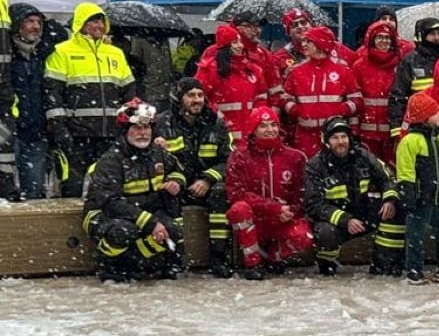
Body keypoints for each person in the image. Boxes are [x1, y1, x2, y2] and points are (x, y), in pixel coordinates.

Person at [83, 99, 186, 282]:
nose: (143, 133)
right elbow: (110, 202)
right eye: (137, 128)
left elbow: (178, 170)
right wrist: (150, 222)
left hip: (144, 212)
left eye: (146, 128)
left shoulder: (157, 152)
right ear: (125, 131)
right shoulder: (111, 161)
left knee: (173, 230)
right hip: (105, 214)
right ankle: (106, 263)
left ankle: (135, 262)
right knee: (124, 231)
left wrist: (175, 182)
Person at [44, 2, 136, 197]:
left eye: (102, 22)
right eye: (94, 21)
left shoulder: (115, 53)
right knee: (73, 185)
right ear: (82, 24)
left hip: (111, 131)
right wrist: (60, 128)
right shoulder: (62, 51)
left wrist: (128, 124)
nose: (100, 26)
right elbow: (53, 93)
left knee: (110, 183)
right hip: (77, 133)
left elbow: (129, 92)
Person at [154, 76, 235, 278]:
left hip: (206, 185)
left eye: (200, 95)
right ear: (179, 98)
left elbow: (230, 161)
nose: (197, 100)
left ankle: (218, 257)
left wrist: (208, 179)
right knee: (168, 196)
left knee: (220, 193)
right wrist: (177, 180)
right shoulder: (162, 123)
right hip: (176, 182)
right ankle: (174, 258)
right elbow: (158, 161)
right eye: (190, 95)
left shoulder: (217, 123)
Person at [303, 116, 403, 276]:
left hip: (362, 212)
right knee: (326, 233)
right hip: (334, 220)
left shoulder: (362, 156)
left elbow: (387, 178)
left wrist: (389, 199)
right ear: (326, 141)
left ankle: (384, 263)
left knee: (397, 210)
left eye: (344, 137)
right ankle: (327, 266)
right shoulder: (315, 166)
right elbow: (313, 205)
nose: (341, 141)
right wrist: (345, 219)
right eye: (335, 138)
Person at [225, 106, 314, 280]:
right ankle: (253, 262)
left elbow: (304, 194)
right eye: (263, 126)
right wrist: (273, 208)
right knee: (239, 209)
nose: (269, 130)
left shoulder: (296, 157)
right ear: (253, 129)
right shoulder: (239, 157)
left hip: (283, 219)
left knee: (304, 236)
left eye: (273, 125)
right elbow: (237, 193)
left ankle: (275, 257)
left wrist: (291, 211)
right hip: (255, 220)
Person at [396, 91, 439, 284]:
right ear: (424, 117)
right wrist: (409, 195)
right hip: (421, 198)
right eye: (435, 112)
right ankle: (414, 268)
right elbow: (405, 172)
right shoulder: (409, 142)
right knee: (415, 235)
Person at [281, 25, 362, 157]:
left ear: (320, 44)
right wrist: (296, 110)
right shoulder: (297, 71)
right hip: (305, 136)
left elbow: (357, 100)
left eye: (309, 41)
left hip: (334, 135)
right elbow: (284, 99)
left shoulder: (342, 70)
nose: (304, 44)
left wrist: (339, 110)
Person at [195, 24, 269, 145]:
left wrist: (257, 120)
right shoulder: (210, 70)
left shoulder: (253, 69)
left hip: (250, 137)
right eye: (235, 42)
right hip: (222, 137)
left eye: (240, 41)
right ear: (225, 46)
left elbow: (261, 97)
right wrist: (218, 118)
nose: (240, 46)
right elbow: (199, 97)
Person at [10, 2, 53, 198]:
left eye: (38, 22)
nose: (36, 26)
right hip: (8, 130)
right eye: (30, 21)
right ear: (17, 24)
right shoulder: (6, 55)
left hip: (36, 131)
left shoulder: (45, 55)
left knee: (35, 190)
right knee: (6, 191)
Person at [388, 17, 439, 137]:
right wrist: (397, 129)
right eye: (432, 34)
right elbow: (398, 96)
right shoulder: (410, 61)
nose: (437, 38)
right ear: (422, 36)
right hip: (417, 127)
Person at [353, 19, 401, 162]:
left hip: (391, 133)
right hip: (366, 134)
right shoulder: (359, 66)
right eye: (380, 37)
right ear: (372, 40)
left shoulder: (400, 66)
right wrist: (354, 129)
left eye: (387, 38)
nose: (384, 41)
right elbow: (354, 98)